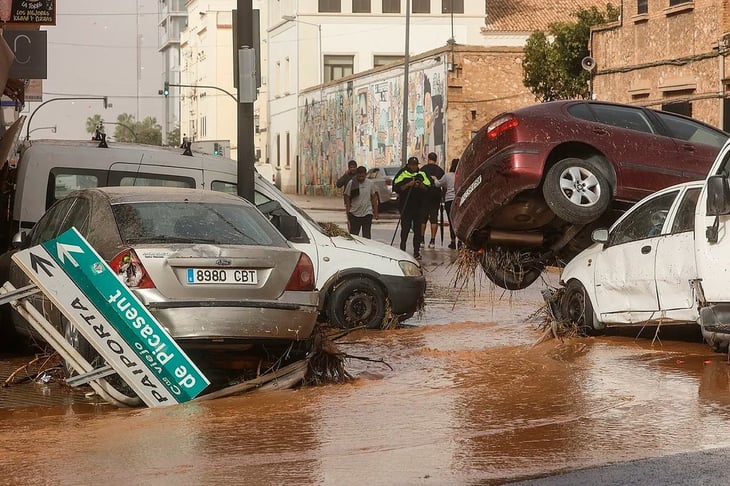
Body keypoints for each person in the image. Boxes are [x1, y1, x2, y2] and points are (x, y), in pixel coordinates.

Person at [393, 156, 431, 259]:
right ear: (408, 165)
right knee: (405, 228)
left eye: (416, 165)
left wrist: (420, 185)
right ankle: (402, 249)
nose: (414, 167)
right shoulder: (402, 173)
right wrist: (408, 184)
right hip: (406, 206)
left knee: (418, 230)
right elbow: (396, 187)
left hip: (419, 207)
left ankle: (416, 251)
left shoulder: (422, 174)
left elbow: (428, 187)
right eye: (412, 165)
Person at [344, 166, 379, 238]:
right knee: (354, 236)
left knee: (366, 236)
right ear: (356, 175)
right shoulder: (352, 183)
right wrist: (348, 210)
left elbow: (374, 197)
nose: (361, 178)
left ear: (365, 175)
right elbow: (347, 196)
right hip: (354, 213)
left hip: (367, 213)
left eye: (363, 176)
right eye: (359, 176)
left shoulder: (370, 183)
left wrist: (375, 212)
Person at [420, 152, 445, 249]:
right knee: (434, 219)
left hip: (424, 196)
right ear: (436, 159)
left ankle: (422, 239)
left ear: (428, 158)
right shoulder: (440, 171)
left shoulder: (423, 169)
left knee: (423, 219)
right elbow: (443, 184)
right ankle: (432, 240)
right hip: (436, 197)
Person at [433, 158, 459, 249]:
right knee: (459, 220)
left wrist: (435, 179)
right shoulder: (461, 175)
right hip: (459, 200)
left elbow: (438, 184)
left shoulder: (447, 176)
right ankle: (460, 241)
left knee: (451, 221)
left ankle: (453, 241)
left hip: (449, 200)